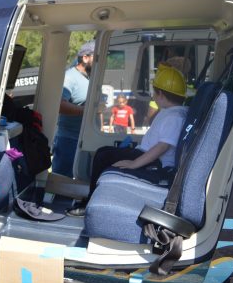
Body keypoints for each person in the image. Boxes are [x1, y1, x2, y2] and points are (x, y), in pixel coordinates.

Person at [67, 65, 188, 217]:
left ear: (161, 95)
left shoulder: (175, 117)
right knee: (103, 151)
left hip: (156, 163)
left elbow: (162, 147)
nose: (153, 97)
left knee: (103, 156)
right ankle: (92, 198)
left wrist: (134, 164)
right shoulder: (171, 112)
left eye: (154, 93)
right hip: (145, 154)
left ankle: (90, 204)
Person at [52, 40, 94, 177]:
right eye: (97, 57)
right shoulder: (70, 77)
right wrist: (87, 110)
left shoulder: (90, 78)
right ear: (85, 58)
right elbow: (59, 105)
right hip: (68, 140)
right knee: (62, 178)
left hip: (83, 138)